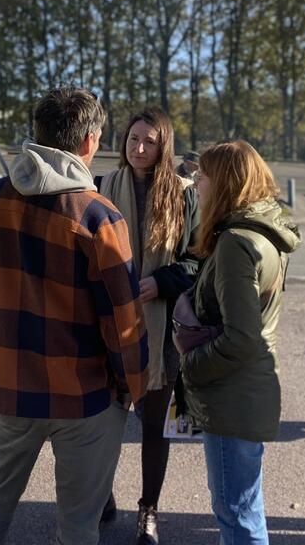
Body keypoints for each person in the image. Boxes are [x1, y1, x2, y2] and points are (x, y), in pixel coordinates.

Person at [0, 86, 149, 545]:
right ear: (89, 142)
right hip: (84, 396)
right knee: (78, 525)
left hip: (7, 390)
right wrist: (130, 389)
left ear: (36, 134)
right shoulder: (99, 216)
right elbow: (124, 323)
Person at [180, 140, 300, 545]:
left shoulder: (236, 242)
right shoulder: (263, 232)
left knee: (237, 514)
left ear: (225, 183)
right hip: (248, 390)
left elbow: (242, 337)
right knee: (244, 509)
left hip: (234, 394)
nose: (195, 182)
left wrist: (191, 366)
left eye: (202, 175)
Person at [97, 108, 199, 545]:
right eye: (133, 139)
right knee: (102, 423)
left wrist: (158, 282)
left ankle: (148, 513)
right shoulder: (101, 189)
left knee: (155, 428)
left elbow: (197, 261)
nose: (139, 149)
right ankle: (100, 494)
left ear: (164, 146)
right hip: (108, 325)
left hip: (162, 332)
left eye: (150, 142)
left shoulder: (184, 195)